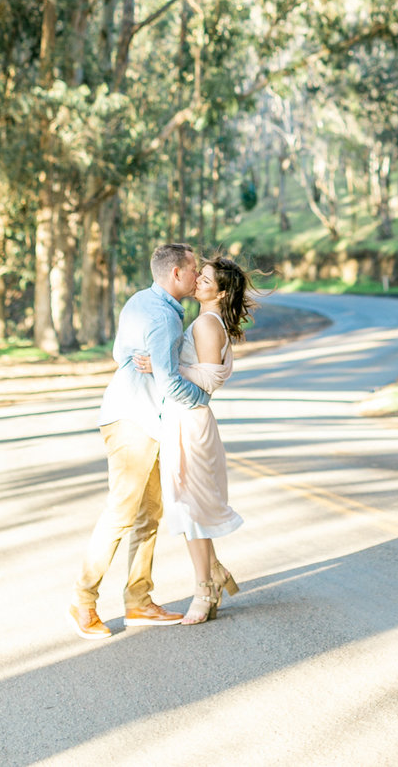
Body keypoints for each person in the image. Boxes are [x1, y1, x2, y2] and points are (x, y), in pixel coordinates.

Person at [69, 242, 209, 639]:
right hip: (134, 419)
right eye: (194, 269)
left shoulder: (139, 301)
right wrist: (203, 398)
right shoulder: (165, 318)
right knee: (121, 513)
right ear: (177, 274)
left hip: (134, 416)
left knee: (149, 514)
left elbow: (120, 353)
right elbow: (167, 380)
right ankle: (83, 601)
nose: (198, 276)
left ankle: (139, 602)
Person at [136, 255, 253, 625]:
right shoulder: (207, 320)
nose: (198, 281)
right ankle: (214, 571)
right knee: (189, 507)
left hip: (192, 422)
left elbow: (206, 381)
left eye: (206, 280)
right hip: (182, 420)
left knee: (191, 511)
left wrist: (164, 366)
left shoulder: (206, 323)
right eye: (199, 276)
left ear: (220, 292)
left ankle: (205, 589)